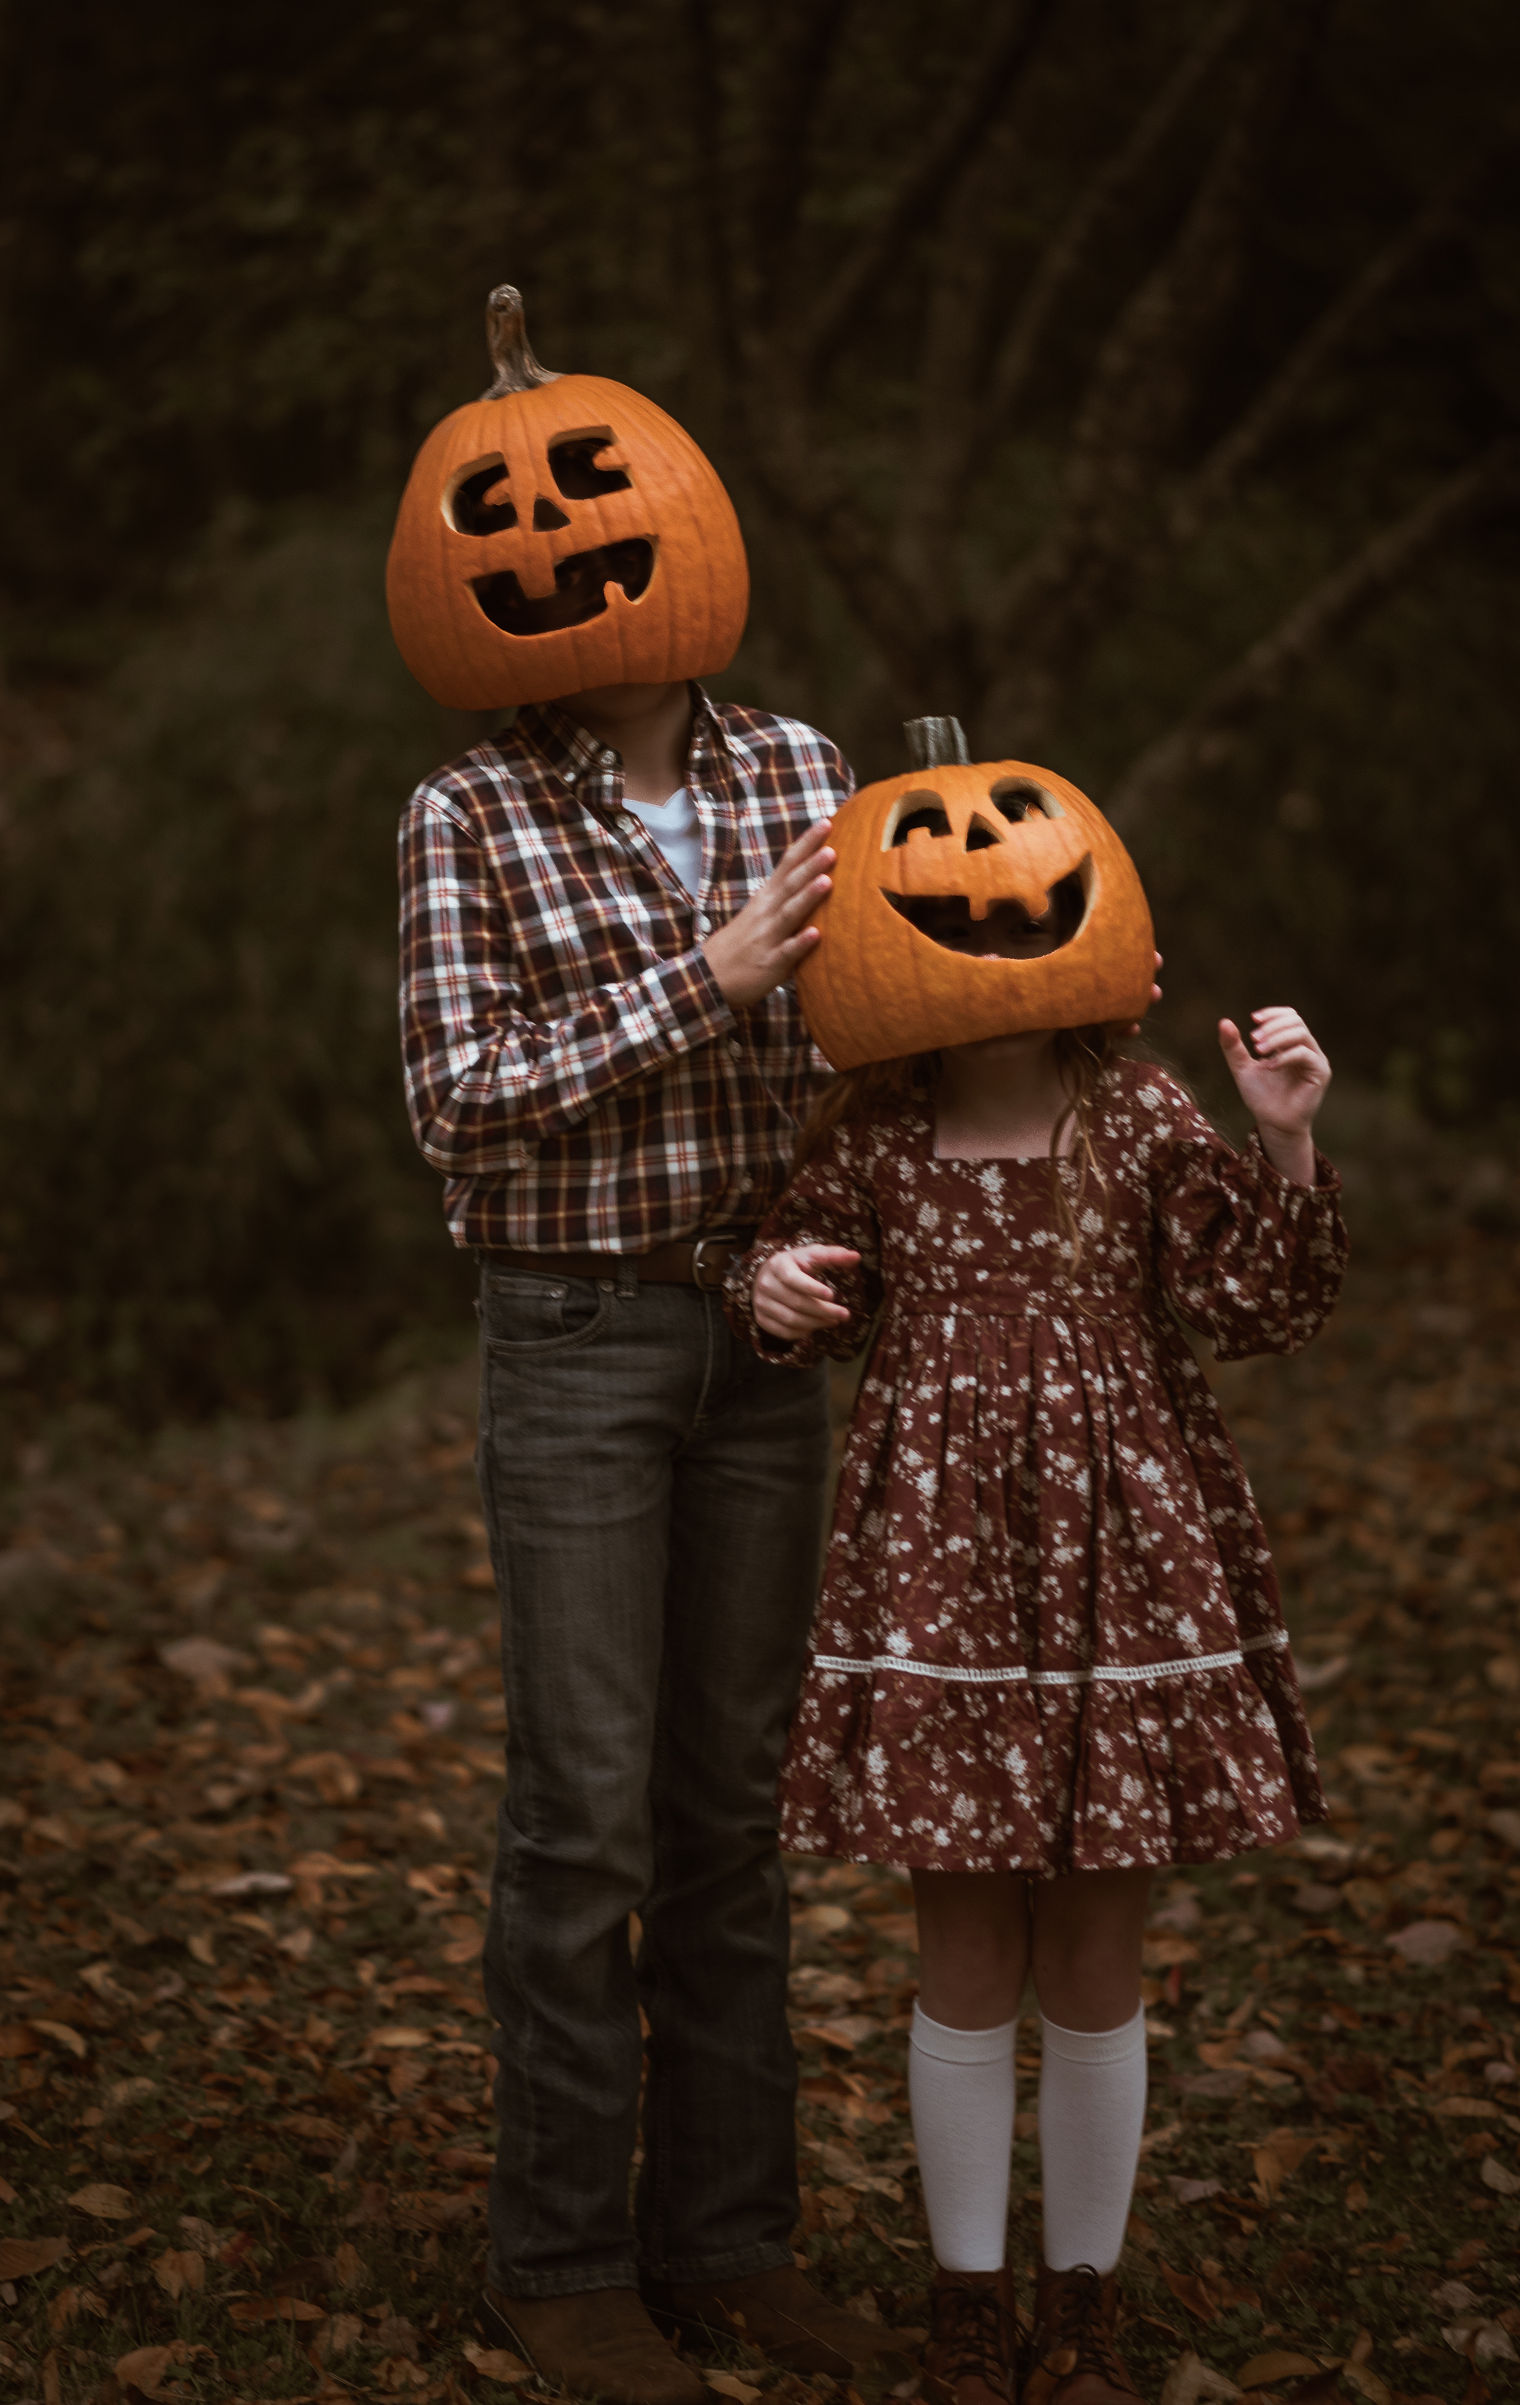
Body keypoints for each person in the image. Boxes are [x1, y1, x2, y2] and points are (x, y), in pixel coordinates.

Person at [722, 888, 1348, 2405]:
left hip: (1121, 1566)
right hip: (939, 1580)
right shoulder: (878, 1133)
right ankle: (967, 2299)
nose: (991, 948)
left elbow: (1258, 1304)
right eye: (949, 920)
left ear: (1094, 932)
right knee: (964, 1949)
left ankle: (1081, 2303)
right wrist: (771, 1286)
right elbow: (797, 1293)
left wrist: (1283, 1141)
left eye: (1026, 916)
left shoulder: (1137, 1114)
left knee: (1091, 1951)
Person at [399, 673, 917, 2405]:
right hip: (574, 1335)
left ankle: (728, 2241)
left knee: (727, 1811)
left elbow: (876, 1038)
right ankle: (562, 2268)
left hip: (761, 1340)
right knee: (582, 1814)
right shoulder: (467, 810)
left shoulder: (800, 767)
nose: (574, 563)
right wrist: (709, 976)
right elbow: (459, 1099)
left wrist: (1048, 1011)